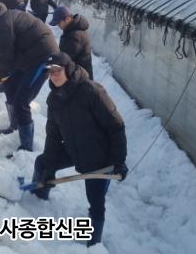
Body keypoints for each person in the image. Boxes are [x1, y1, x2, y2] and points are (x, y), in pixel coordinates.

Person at [31, 52, 128, 246]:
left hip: (99, 158)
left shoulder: (91, 92)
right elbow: (53, 134)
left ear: (68, 69)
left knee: (95, 202)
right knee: (43, 163)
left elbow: (116, 126)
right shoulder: (54, 98)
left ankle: (94, 245)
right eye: (50, 72)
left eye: (57, 70)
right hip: (74, 149)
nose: (53, 75)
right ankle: (36, 203)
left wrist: (119, 161)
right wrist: (50, 165)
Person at [0, 0, 58, 150]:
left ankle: (26, 147)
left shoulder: (1, 25)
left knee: (21, 101)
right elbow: (0, 56)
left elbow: (6, 59)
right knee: (10, 86)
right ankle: (15, 126)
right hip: (27, 56)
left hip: (42, 55)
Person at [50, 6, 94, 80]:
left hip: (80, 79)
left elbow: (64, 59)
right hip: (76, 75)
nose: (58, 26)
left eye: (59, 23)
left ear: (67, 19)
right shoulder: (72, 31)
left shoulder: (76, 36)